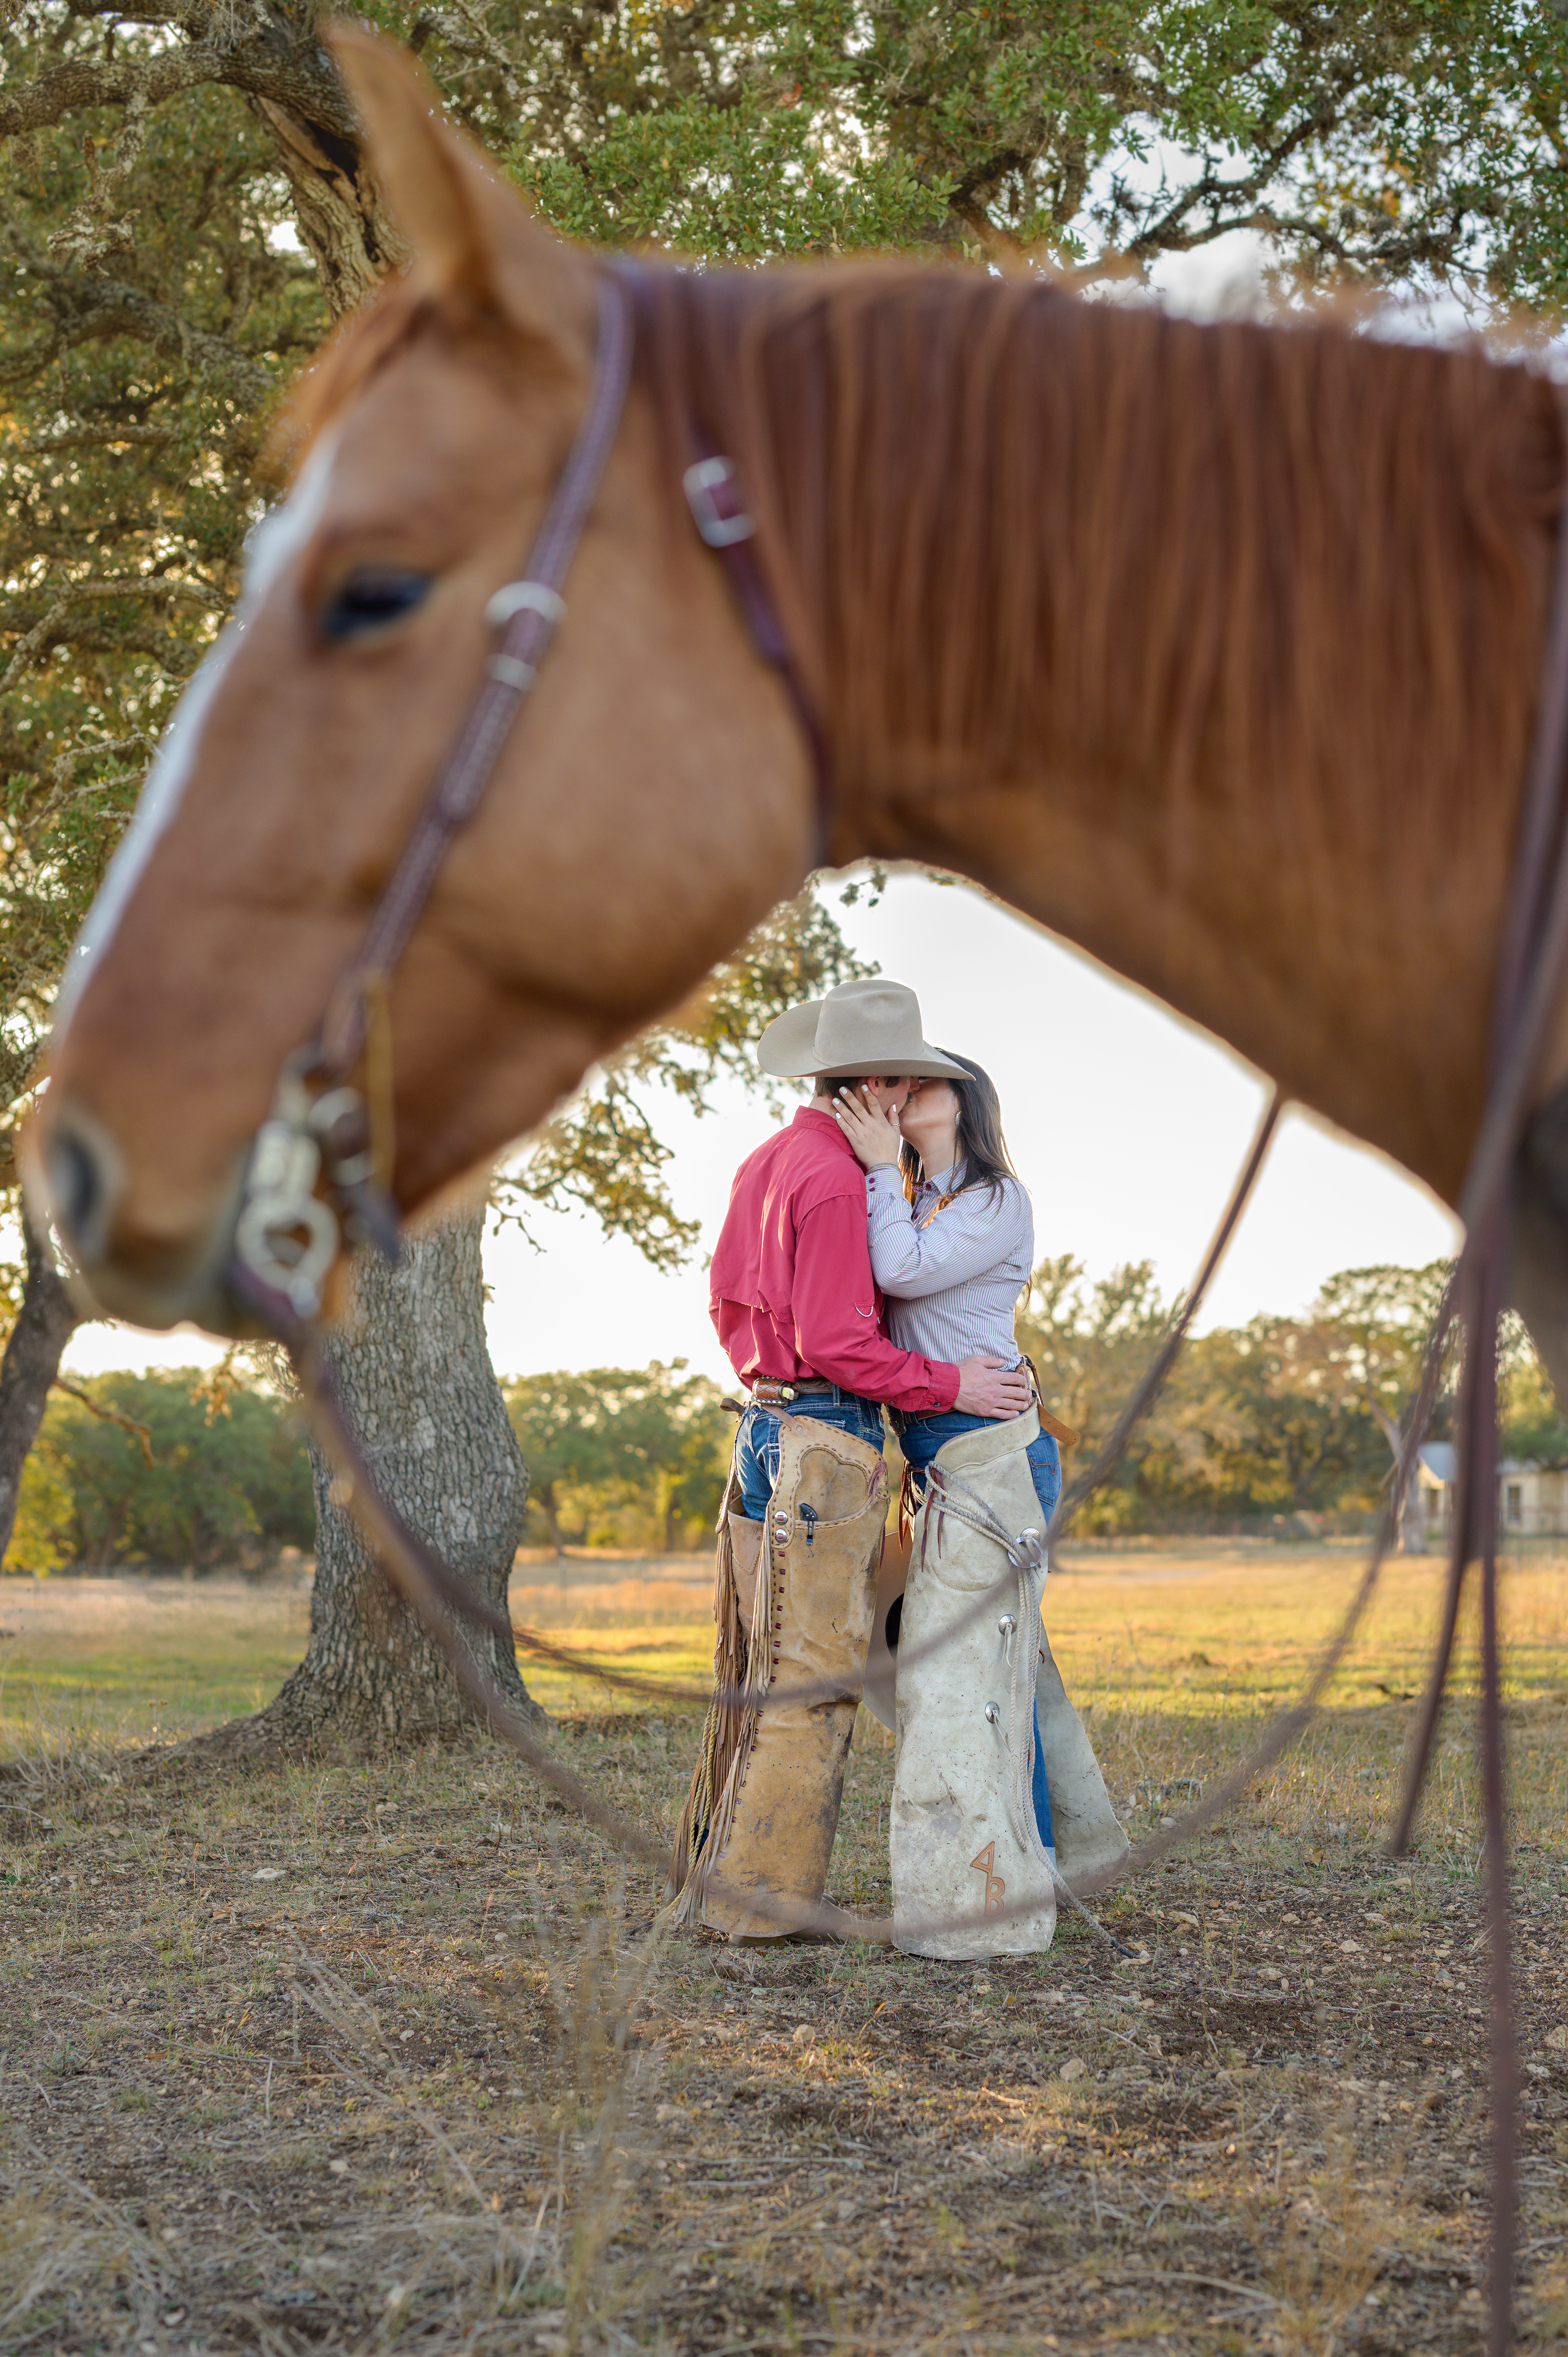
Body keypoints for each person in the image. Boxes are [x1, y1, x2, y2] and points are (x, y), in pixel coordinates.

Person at [667, 978, 1029, 1939]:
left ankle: (718, 1873)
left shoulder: (768, 1159)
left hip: (763, 1425)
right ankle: (763, 1907)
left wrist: (763, 1378)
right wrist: (947, 1386)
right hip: (823, 1438)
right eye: (901, 1079)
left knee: (753, 1659)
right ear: (868, 1084)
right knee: (815, 1672)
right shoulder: (832, 1179)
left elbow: (724, 1301)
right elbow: (837, 1339)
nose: (909, 1097)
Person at [830, 1050, 1061, 1527]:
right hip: (929, 1435)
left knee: (984, 1605)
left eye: (928, 1079)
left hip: (986, 1435)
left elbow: (901, 1270)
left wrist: (881, 1166)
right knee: (928, 1605)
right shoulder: (908, 1205)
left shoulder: (998, 1196)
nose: (909, 1084)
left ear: (965, 1101)